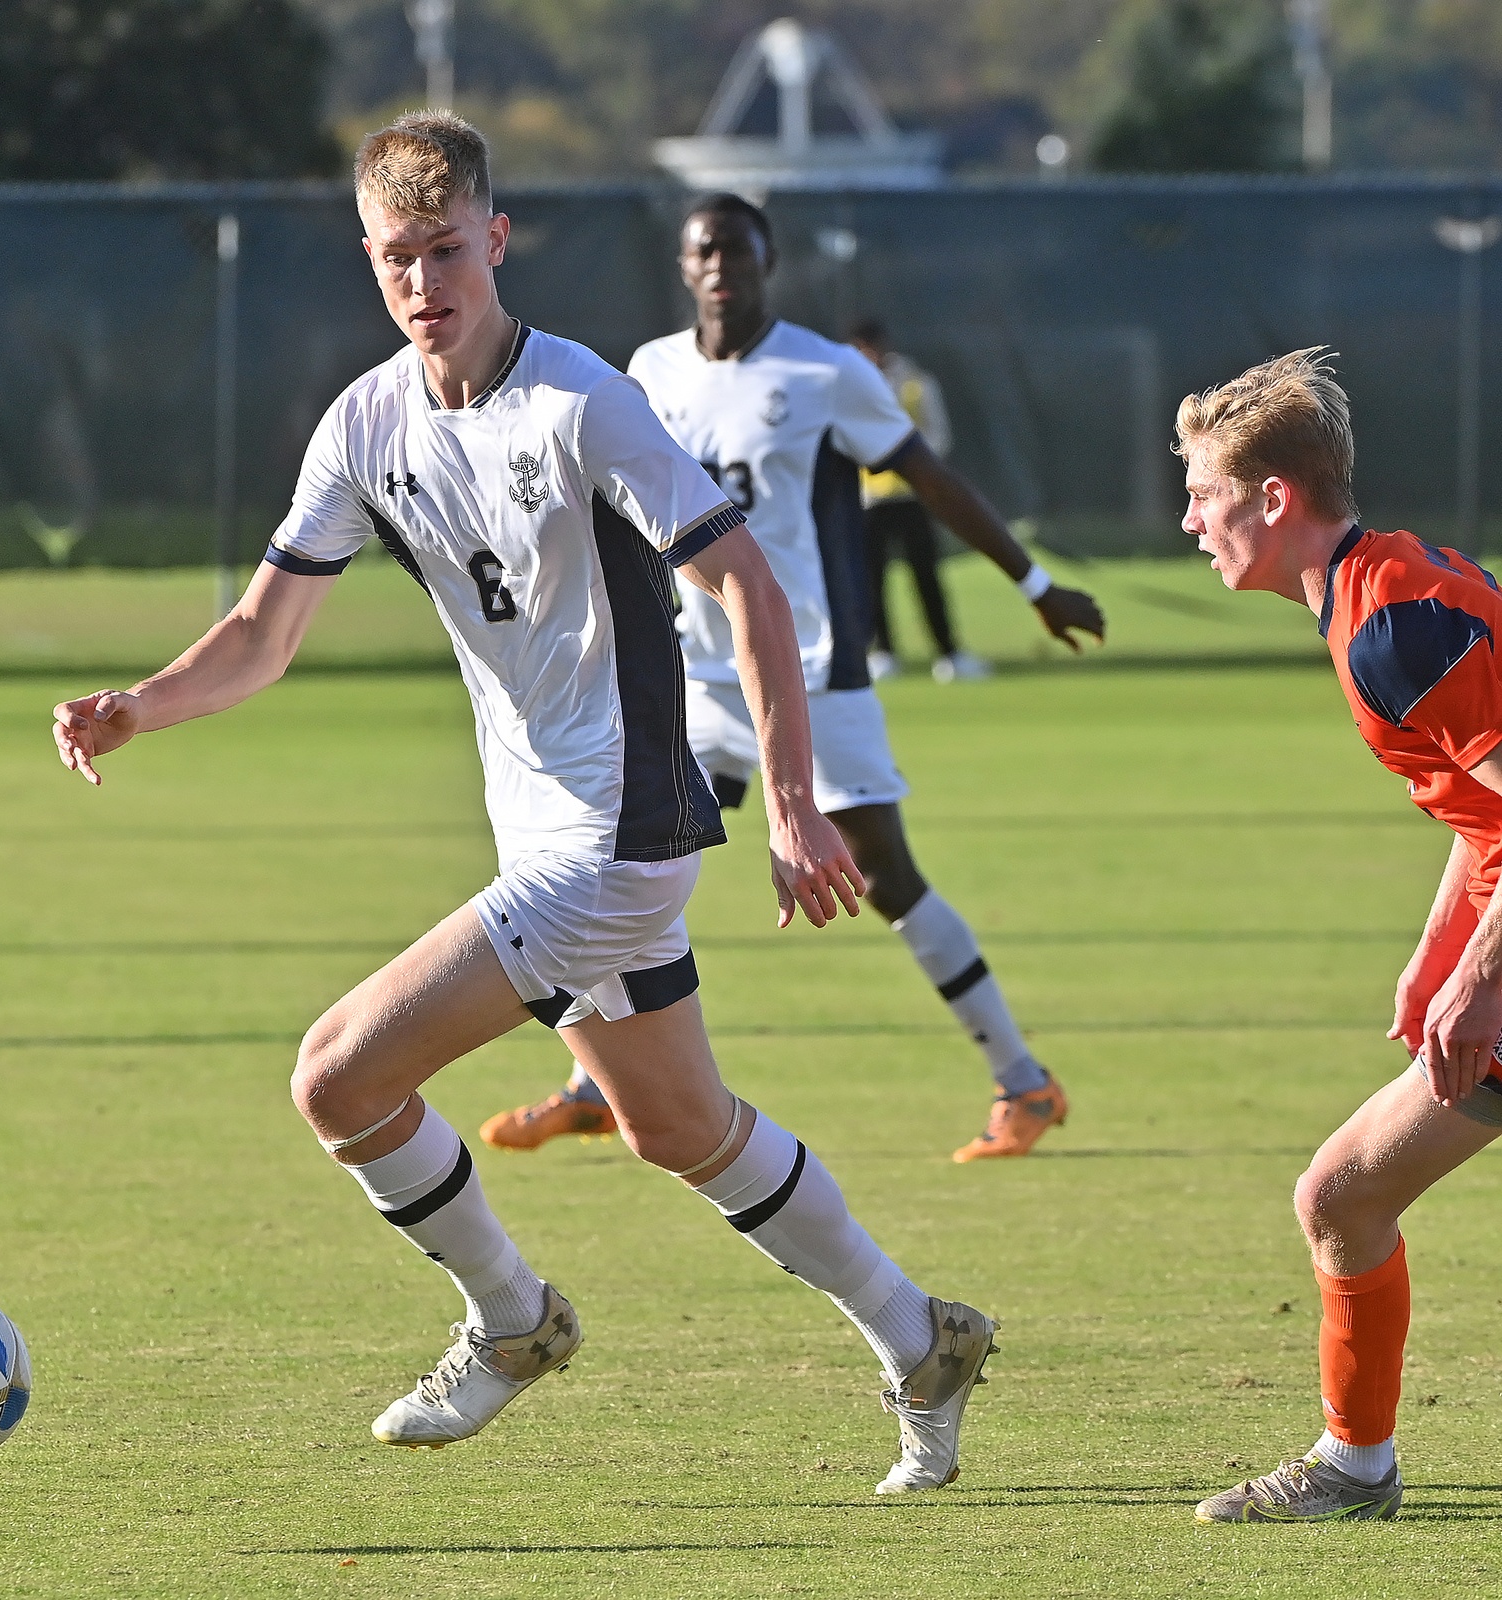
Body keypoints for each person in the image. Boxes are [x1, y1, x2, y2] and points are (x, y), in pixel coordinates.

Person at [51, 116, 998, 1493]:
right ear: (370, 263)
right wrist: (138, 705)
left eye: (448, 249)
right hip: (543, 830)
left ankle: (512, 1321)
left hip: (620, 837)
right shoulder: (367, 421)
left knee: (337, 1076)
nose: (425, 280)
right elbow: (262, 634)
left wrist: (793, 806)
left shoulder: (582, 400)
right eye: (397, 258)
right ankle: (923, 1339)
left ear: (496, 241)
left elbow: (748, 586)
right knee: (683, 1129)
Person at [479, 192, 1105, 1165]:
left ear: (766, 259)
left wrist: (1032, 583)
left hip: (809, 676)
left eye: (736, 247)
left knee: (885, 878)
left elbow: (928, 479)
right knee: (617, 866)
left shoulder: (824, 371)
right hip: (694, 679)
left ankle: (1024, 1082)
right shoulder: (651, 369)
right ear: (683, 267)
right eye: (703, 250)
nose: (720, 264)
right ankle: (592, 1084)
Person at [1182, 348, 1502, 1523]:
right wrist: (1436, 955)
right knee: (1340, 1195)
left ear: (1272, 499)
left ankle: (1352, 1469)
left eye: (1204, 494)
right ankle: (1353, 1464)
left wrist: (1477, 974)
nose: (1186, 518)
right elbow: (1483, 810)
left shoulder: (1388, 631)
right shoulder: (1377, 595)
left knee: (1337, 1196)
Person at [847, 315, 983, 684]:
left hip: (911, 495)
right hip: (868, 499)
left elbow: (938, 435)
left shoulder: (915, 381)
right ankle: (883, 652)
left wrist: (905, 461)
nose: (870, 354)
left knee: (926, 576)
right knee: (872, 580)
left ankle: (949, 652)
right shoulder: (849, 385)